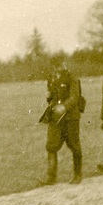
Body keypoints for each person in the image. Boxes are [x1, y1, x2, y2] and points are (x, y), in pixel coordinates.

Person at [38, 54, 83, 185]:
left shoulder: (72, 77)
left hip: (70, 117)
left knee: (74, 145)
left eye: (60, 64)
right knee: (51, 146)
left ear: (64, 63)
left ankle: (78, 174)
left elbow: (75, 96)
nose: (58, 67)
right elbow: (51, 97)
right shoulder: (51, 78)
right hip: (56, 117)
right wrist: (48, 96)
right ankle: (51, 177)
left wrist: (64, 106)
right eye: (56, 65)